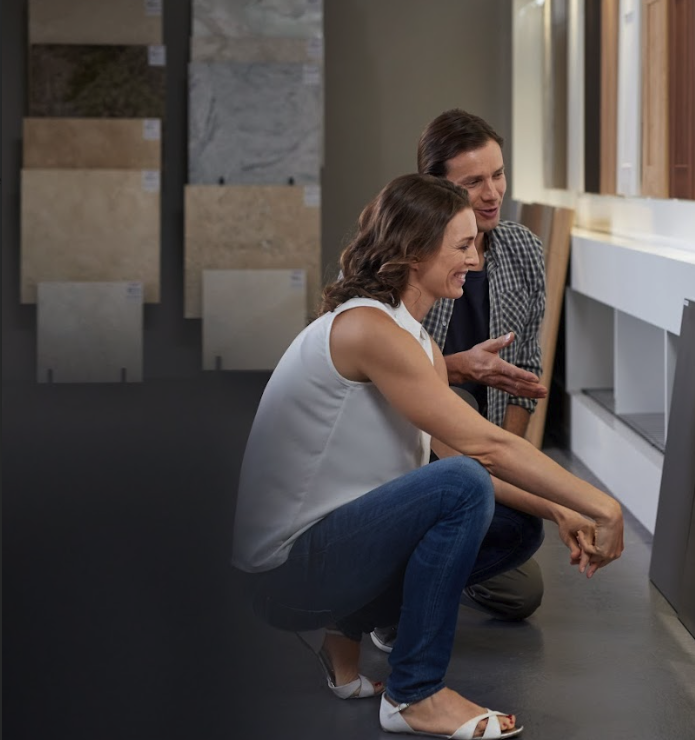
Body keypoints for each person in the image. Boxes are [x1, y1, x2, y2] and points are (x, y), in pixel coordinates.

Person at [231, 174, 624, 738]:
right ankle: (415, 692)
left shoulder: (416, 341)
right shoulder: (367, 327)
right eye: (462, 247)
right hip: (284, 576)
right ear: (415, 251)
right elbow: (481, 448)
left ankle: (348, 637)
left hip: (328, 551)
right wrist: (603, 505)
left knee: (517, 526)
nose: (476, 260)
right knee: (461, 484)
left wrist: (559, 509)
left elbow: (465, 459)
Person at [372, 109, 549, 654]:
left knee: (521, 591)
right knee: (459, 393)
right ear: (434, 187)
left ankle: (429, 570)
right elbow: (379, 375)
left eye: (498, 174)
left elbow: (527, 371)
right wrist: (457, 367)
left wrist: (508, 463)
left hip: (476, 448)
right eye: (473, 182)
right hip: (405, 447)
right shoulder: (397, 258)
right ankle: (382, 592)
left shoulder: (521, 249)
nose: (492, 193)